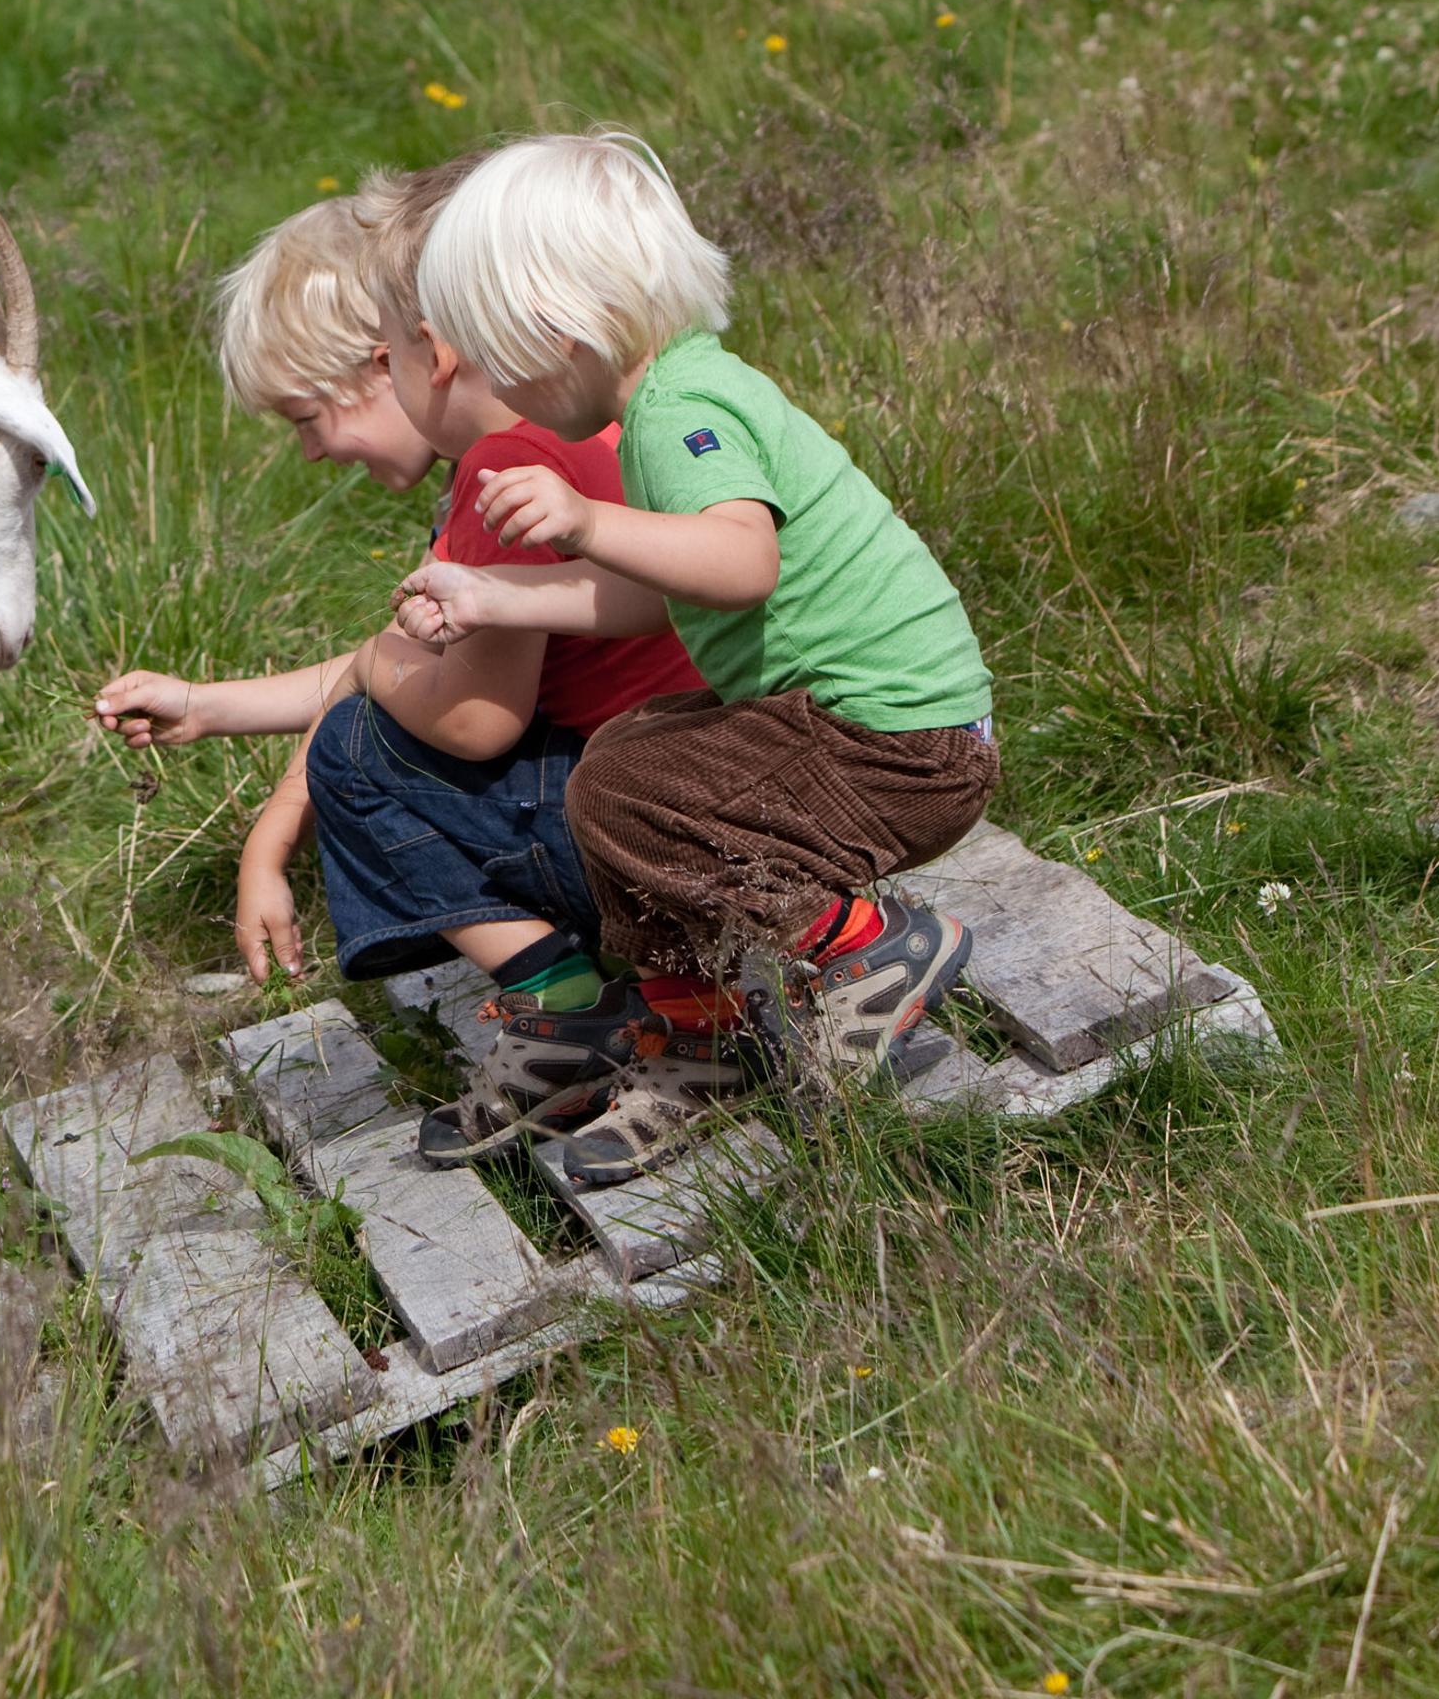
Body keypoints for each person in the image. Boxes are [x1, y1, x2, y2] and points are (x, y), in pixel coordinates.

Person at [393, 131, 997, 1189]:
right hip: (886, 731)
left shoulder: (677, 415)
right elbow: (656, 591)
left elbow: (739, 560)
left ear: (559, 330)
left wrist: (581, 519)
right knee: (628, 760)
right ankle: (703, 1040)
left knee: (629, 786)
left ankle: (868, 945)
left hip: (900, 746)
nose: (495, 388)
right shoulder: (674, 397)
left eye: (498, 358)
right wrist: (490, 592)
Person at [93, 166, 703, 1161]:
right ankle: (616, 984)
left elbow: (462, 723)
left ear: (401, 360)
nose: (306, 452)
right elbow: (394, 677)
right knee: (368, 726)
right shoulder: (576, 420)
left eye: (305, 417)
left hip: (624, 824)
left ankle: (566, 1012)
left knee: (366, 740)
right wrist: (210, 713)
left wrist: (371, 677)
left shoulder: (504, 475)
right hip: (693, 784)